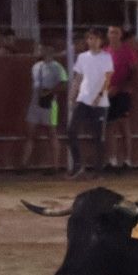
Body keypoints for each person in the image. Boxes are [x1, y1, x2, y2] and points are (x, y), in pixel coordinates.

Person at [67, 26, 112, 179]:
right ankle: (78, 165)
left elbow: (107, 79)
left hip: (99, 102)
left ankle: (98, 171)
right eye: (90, 38)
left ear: (101, 41)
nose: (92, 41)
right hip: (84, 98)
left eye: (96, 39)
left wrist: (99, 96)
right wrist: (72, 96)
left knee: (98, 136)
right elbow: (78, 78)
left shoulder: (106, 57)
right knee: (71, 130)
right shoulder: (82, 57)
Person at [21, 43, 67, 173]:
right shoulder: (36, 66)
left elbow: (64, 84)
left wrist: (49, 92)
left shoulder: (58, 67)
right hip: (35, 102)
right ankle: (24, 164)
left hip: (50, 103)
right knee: (29, 133)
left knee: (52, 133)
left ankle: (55, 166)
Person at [104, 25, 138, 170]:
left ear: (120, 35)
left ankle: (127, 160)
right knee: (110, 126)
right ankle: (112, 160)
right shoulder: (105, 52)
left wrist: (119, 87)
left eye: (116, 33)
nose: (113, 35)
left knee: (123, 125)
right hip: (109, 91)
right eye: (111, 32)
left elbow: (134, 72)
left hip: (123, 91)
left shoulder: (128, 52)